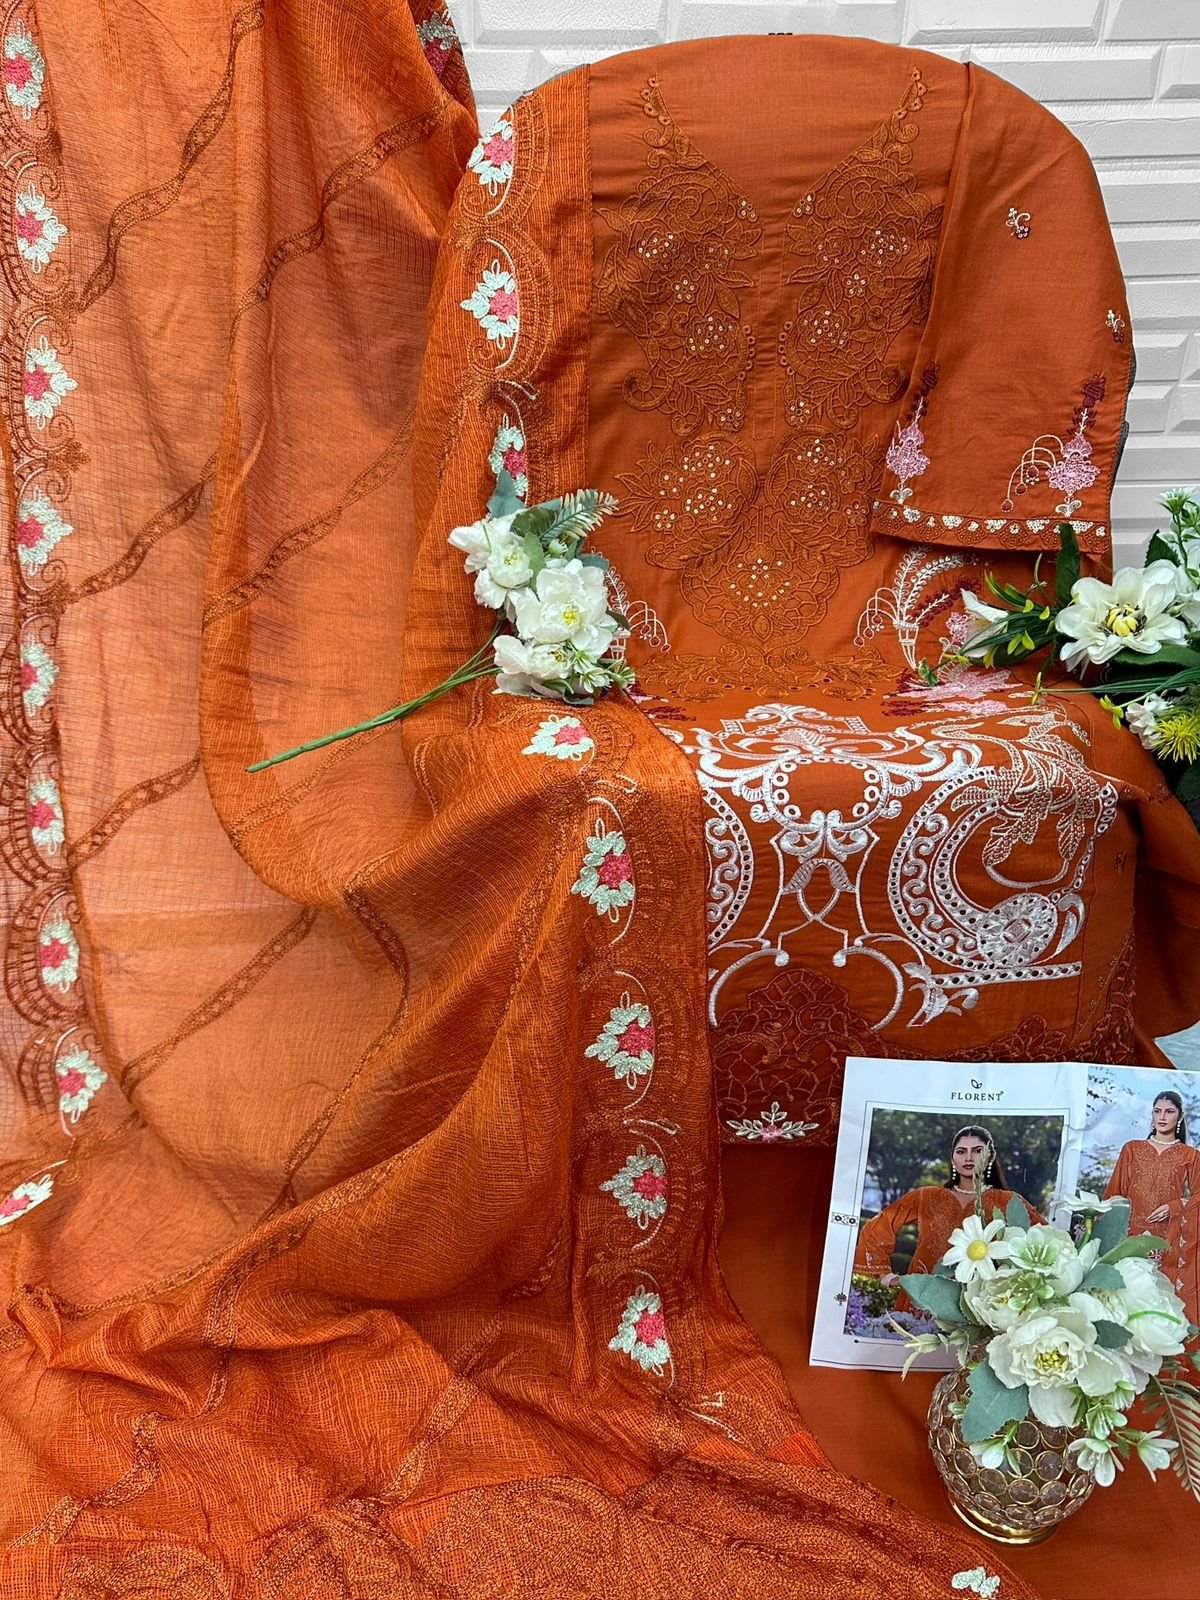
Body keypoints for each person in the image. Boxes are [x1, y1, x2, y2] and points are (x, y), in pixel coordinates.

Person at [854, 1126, 1043, 1310]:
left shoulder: (1008, 1201)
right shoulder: (926, 1196)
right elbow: (879, 1225)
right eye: (961, 1151)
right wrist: (886, 1276)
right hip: (922, 1299)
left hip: (979, 1305)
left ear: (991, 1156)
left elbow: (1045, 1239)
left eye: (977, 1151)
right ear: (952, 1158)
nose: (968, 1158)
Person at [1105, 1090, 1200, 1328]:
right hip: (1130, 1236)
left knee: (1160, 1300)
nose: (1162, 1117)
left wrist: (1176, 1206)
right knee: (1128, 1296)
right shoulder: (1132, 1149)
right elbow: (1115, 1194)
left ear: (1179, 1117)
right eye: (1157, 1111)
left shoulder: (1190, 1156)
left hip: (1166, 1240)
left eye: (1169, 1112)